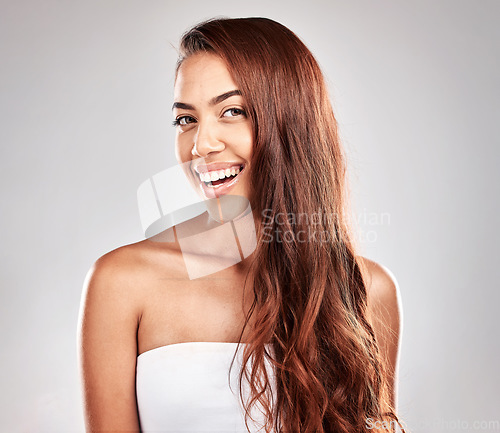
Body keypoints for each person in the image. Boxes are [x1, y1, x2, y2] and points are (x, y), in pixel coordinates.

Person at [77, 17, 405, 433]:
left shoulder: (365, 289)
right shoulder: (122, 282)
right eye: (186, 119)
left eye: (232, 111)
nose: (201, 145)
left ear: (292, 122)